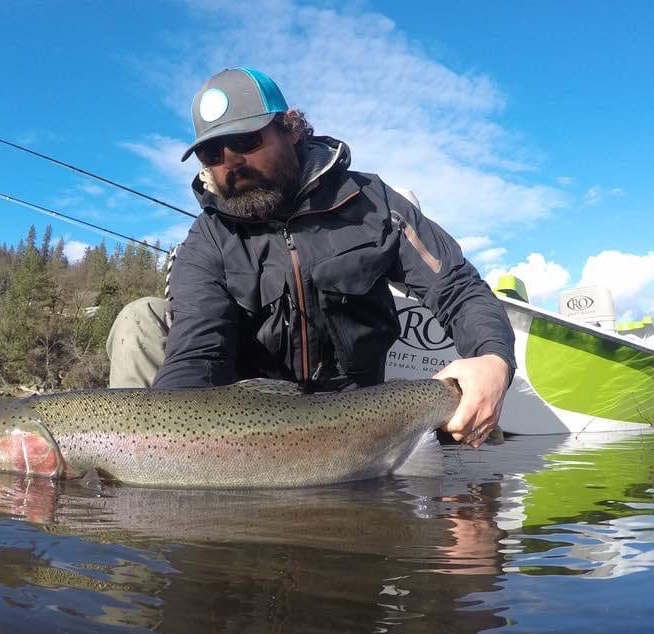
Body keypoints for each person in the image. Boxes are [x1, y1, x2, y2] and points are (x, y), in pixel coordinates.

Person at [106, 67, 514, 448]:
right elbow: (197, 352)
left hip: (358, 416)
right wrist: (169, 442)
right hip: (250, 424)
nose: (230, 161)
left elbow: (459, 289)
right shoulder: (207, 239)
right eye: (212, 152)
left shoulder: (372, 203)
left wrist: (493, 360)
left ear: (291, 129)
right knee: (141, 318)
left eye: (246, 141)